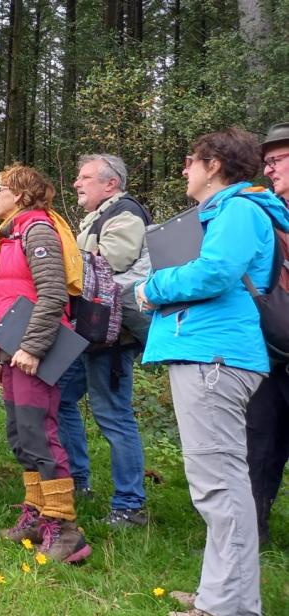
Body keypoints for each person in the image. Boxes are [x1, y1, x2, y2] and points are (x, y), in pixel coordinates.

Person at [135, 128, 288, 616]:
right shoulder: (228, 211)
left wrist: (150, 287)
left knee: (220, 486)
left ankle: (233, 606)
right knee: (217, 483)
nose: (184, 169)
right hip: (210, 354)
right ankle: (220, 594)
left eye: (189, 160)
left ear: (214, 165)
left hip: (217, 357)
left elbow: (216, 272)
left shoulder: (240, 210)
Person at [0, 164, 91, 564]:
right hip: (15, 352)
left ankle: (66, 529)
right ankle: (37, 514)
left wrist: (33, 347)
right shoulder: (13, 235)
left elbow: (53, 294)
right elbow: (9, 302)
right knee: (21, 434)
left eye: (0, 189)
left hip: (34, 351)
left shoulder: (38, 230)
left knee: (40, 434)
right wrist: (0, 355)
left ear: (20, 195)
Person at [57, 154, 149, 527]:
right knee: (60, 395)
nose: (77, 183)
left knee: (113, 414)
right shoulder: (99, 216)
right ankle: (78, 481)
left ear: (110, 184)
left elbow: (109, 263)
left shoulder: (125, 214)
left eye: (85, 178)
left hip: (111, 336)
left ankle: (130, 504)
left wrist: (64, 258)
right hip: (88, 332)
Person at [248, 121, 289, 545]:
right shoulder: (269, 215)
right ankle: (250, 536)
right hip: (270, 353)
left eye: (277, 160)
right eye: (267, 163)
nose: (270, 170)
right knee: (258, 446)